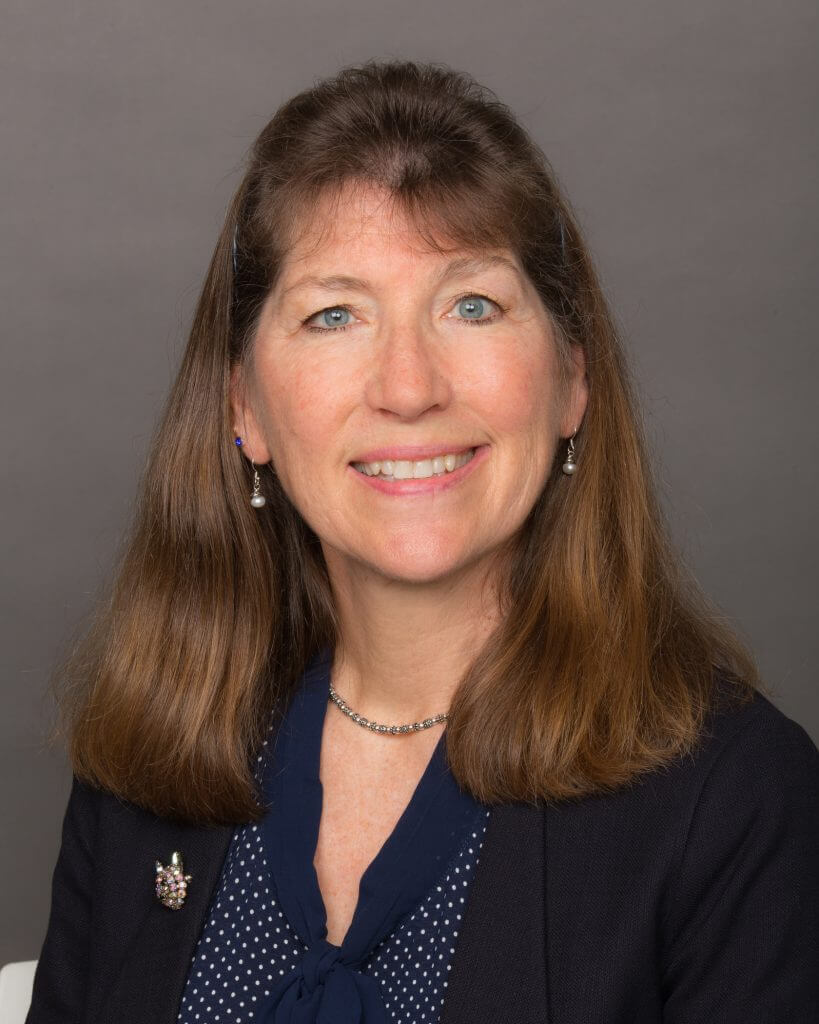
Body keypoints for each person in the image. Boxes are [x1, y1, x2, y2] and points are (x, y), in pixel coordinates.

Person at [26, 58, 818, 1024]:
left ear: (572, 380)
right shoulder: (151, 765)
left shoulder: (735, 799)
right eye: (334, 315)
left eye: (470, 305)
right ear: (245, 408)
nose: (408, 387)